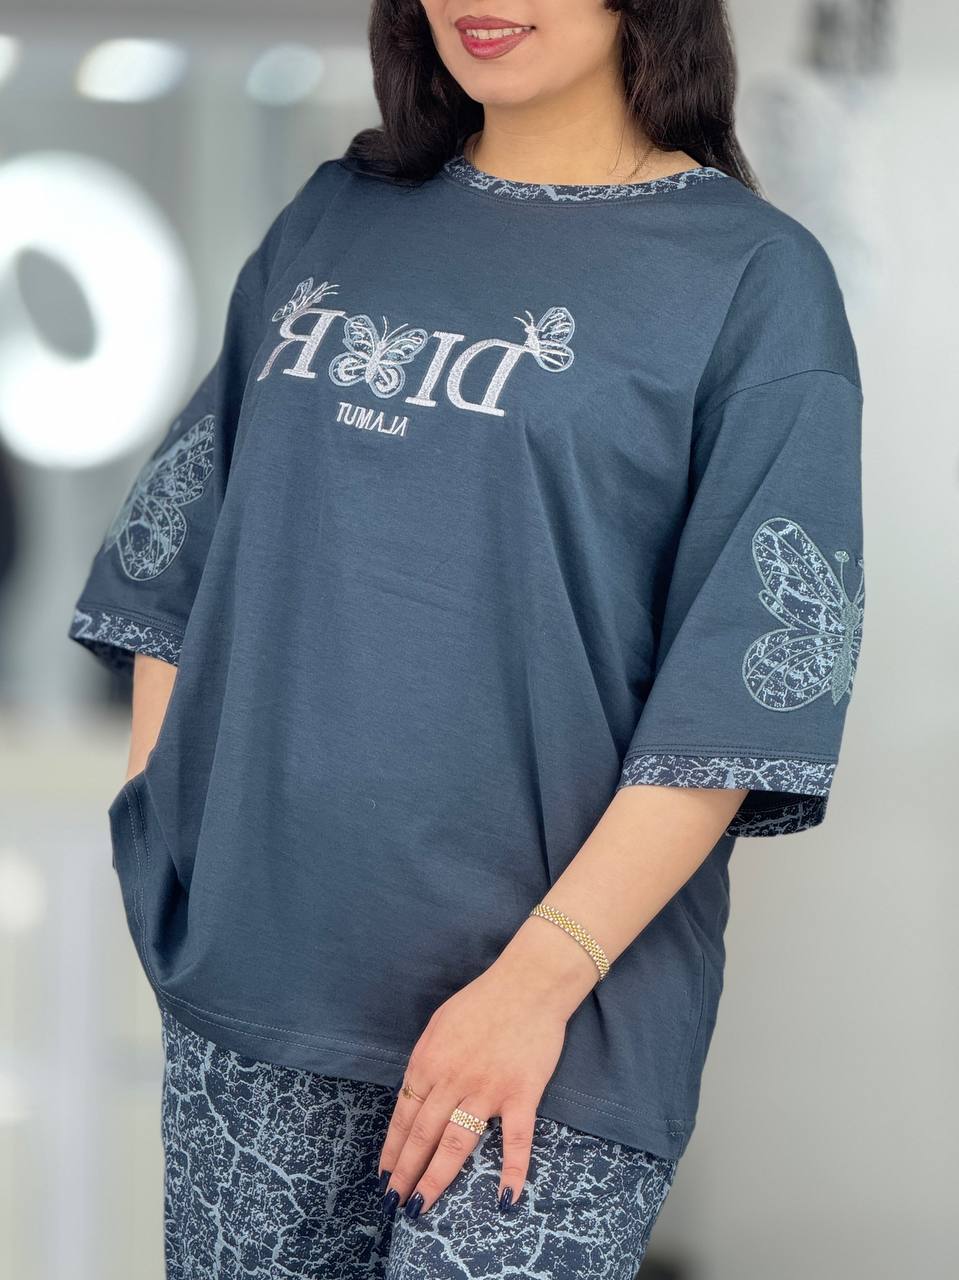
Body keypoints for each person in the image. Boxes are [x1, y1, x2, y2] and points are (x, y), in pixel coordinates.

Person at [68, 2, 865, 1277]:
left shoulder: (751, 279)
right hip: (261, 989)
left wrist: (532, 984)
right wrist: (162, 823)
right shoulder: (334, 220)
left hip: (555, 1028)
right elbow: (184, 546)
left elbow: (742, 687)